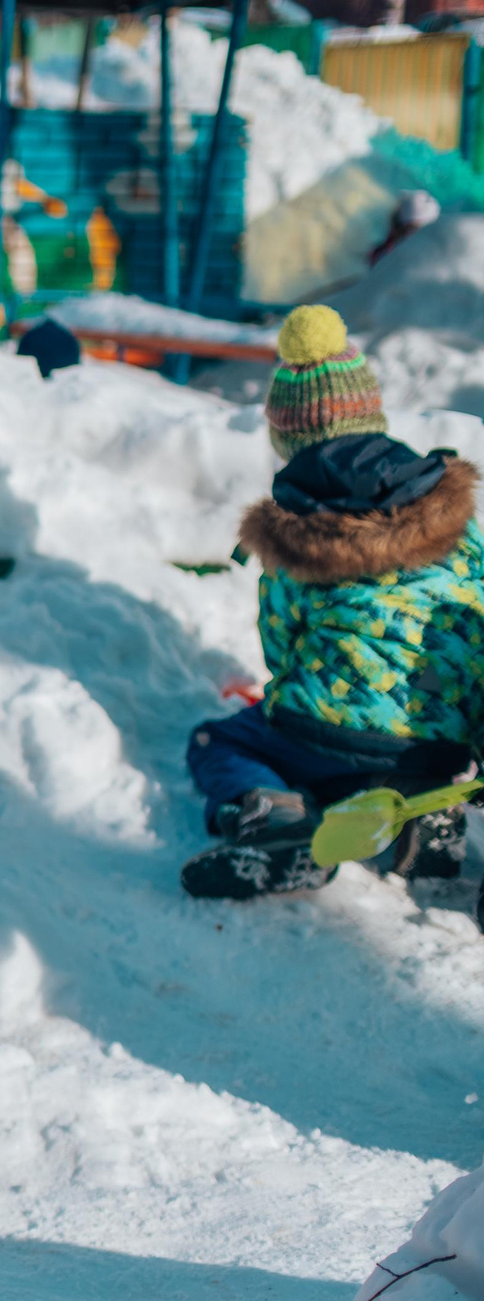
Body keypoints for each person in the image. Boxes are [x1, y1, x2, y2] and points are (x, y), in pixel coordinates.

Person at [180, 305, 484, 902]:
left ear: (285, 437)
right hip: (441, 744)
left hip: (322, 731)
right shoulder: (453, 512)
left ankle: (273, 817)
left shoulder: (295, 527)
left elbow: (280, 646)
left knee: (220, 740)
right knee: (379, 763)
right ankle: (416, 816)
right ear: (372, 414)